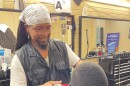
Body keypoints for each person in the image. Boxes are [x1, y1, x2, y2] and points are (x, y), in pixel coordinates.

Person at [10, 4, 82, 86]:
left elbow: (81, 67)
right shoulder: (20, 58)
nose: (44, 33)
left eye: (48, 28)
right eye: (38, 28)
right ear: (27, 28)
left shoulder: (62, 47)